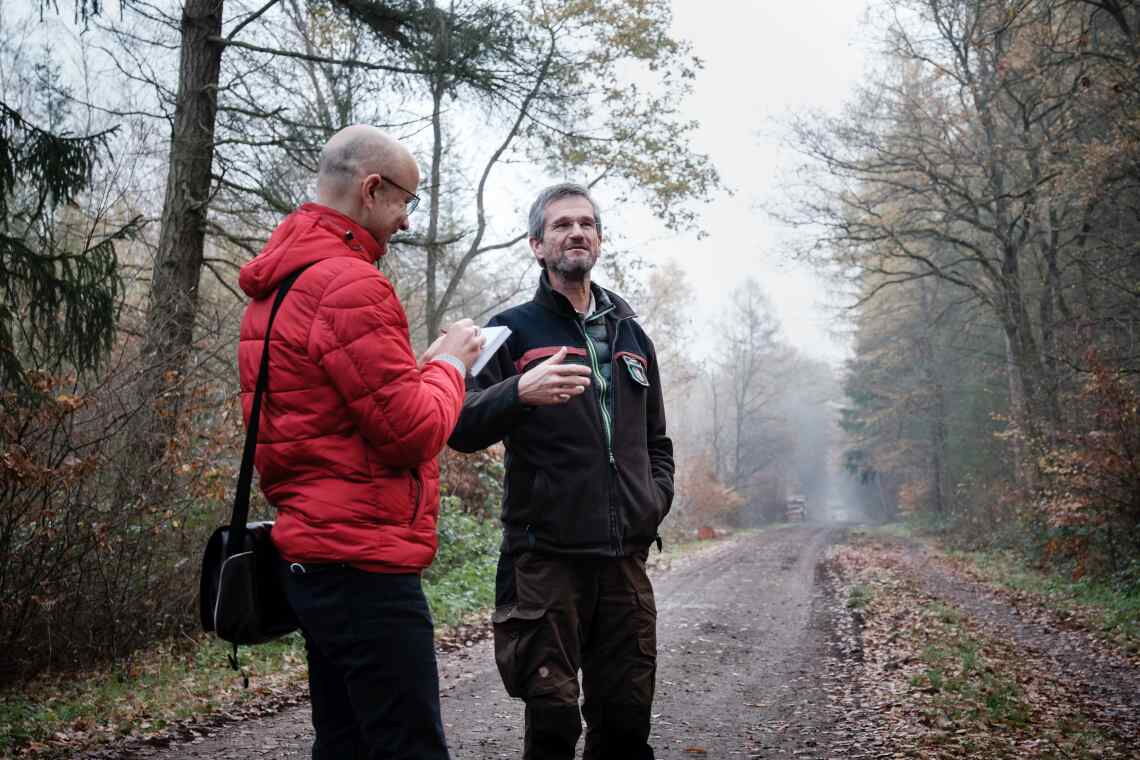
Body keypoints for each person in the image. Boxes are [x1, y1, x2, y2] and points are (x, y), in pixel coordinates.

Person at [236, 124, 484, 760]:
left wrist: (420, 372)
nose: (405, 221)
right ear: (372, 190)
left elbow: (340, 416)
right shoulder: (348, 284)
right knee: (407, 747)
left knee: (344, 743)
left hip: (314, 556)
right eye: (406, 202)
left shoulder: (283, 282)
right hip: (364, 564)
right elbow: (413, 432)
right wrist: (450, 365)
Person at [449, 182, 675, 759]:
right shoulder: (511, 329)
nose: (576, 233)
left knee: (625, 721)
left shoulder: (632, 336)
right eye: (561, 225)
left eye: (586, 224)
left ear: (599, 240)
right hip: (545, 555)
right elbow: (459, 423)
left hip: (623, 559)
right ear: (537, 245)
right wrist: (518, 393)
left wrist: (653, 498)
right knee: (552, 720)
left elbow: (656, 441)